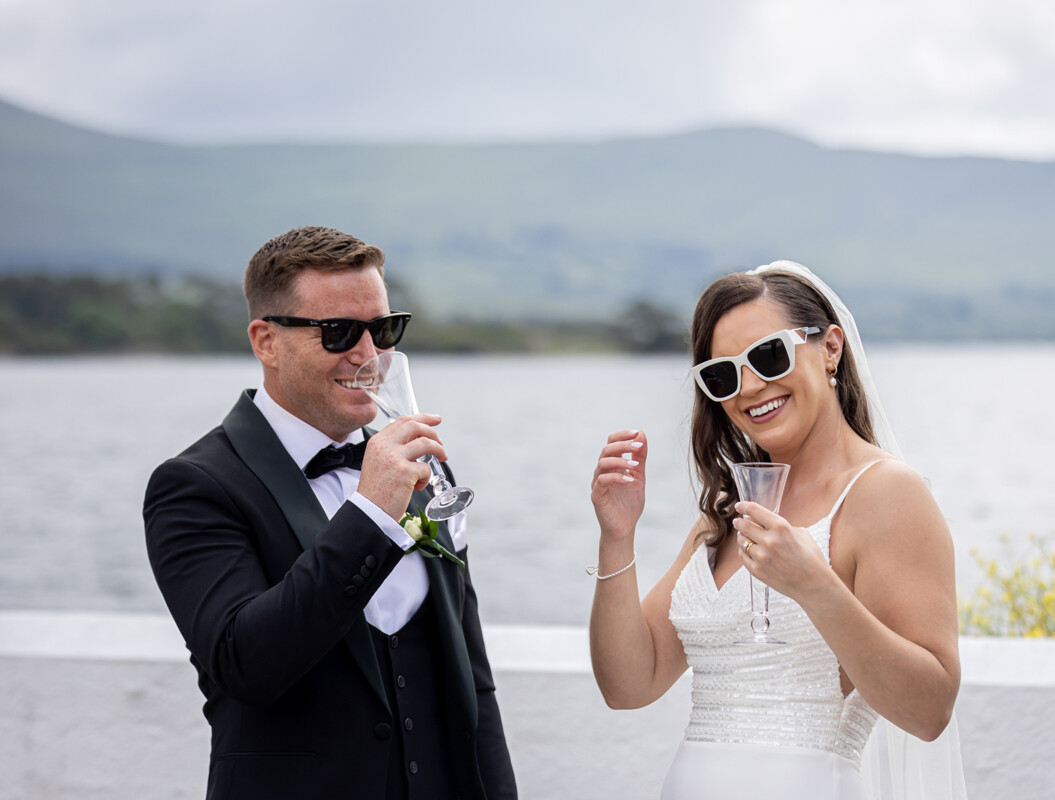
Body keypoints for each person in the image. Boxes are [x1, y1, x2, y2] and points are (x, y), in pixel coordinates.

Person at [144, 226, 517, 800]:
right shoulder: (195, 485)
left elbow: (471, 676)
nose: (368, 356)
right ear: (266, 341)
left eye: (383, 329)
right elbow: (246, 663)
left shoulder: (419, 469)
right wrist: (369, 514)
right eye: (339, 332)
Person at [588, 261, 967, 799]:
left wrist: (816, 587)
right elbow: (628, 685)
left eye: (769, 355)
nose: (751, 388)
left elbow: (929, 710)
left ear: (830, 348)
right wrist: (616, 536)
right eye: (723, 375)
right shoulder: (726, 513)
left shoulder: (886, 494)